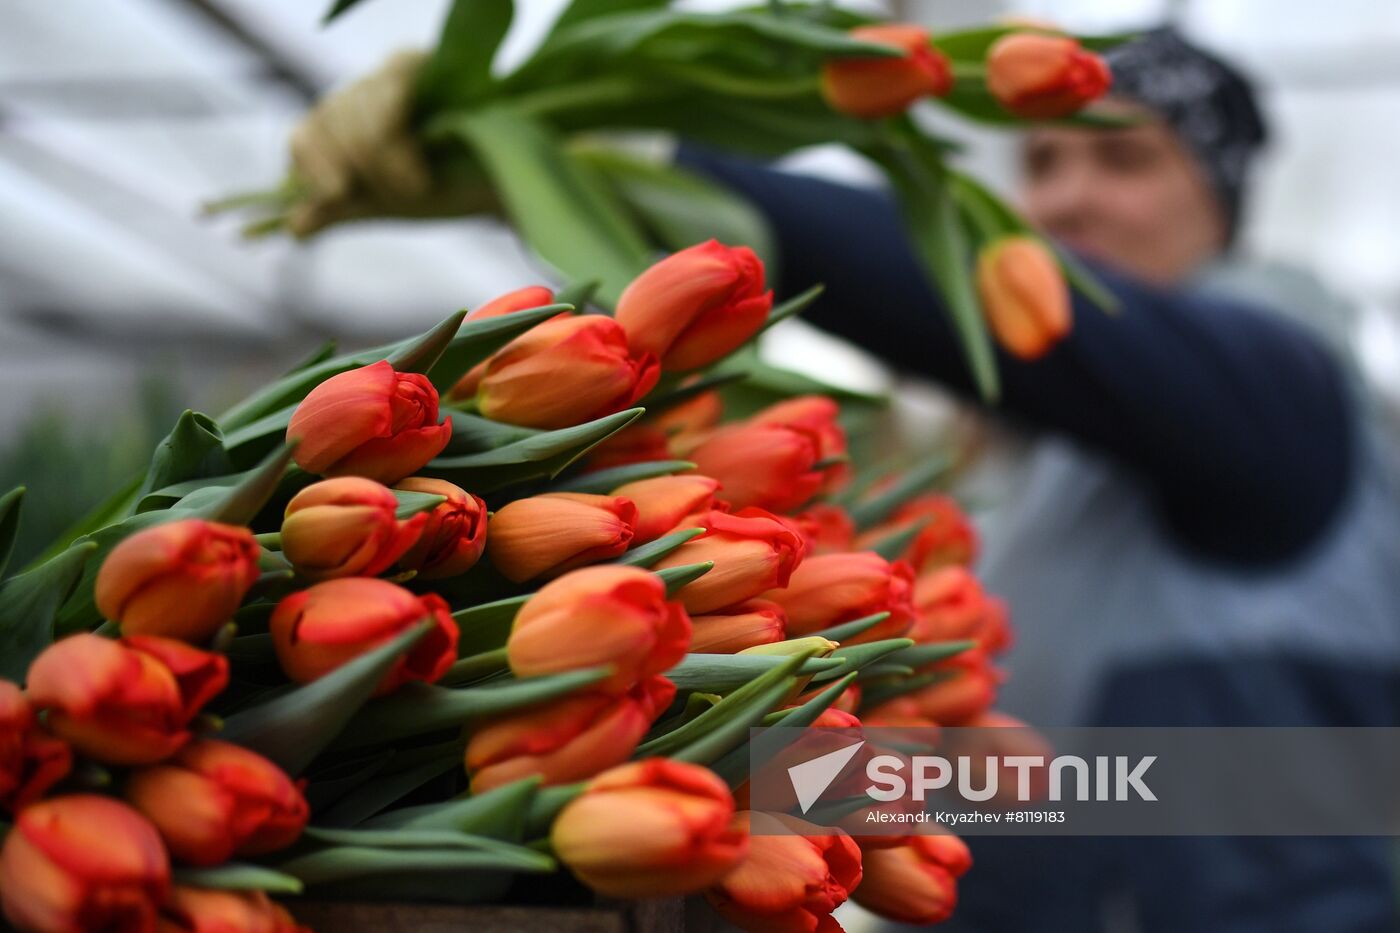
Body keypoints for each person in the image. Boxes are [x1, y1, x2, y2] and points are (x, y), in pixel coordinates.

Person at [678, 26, 1400, 933]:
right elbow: (1037, 779)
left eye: (1125, 159)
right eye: (1044, 162)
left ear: (1218, 203)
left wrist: (674, 171)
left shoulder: (1278, 388)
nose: (1068, 201)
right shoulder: (1059, 472)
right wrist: (709, 764)